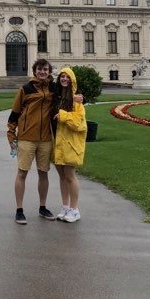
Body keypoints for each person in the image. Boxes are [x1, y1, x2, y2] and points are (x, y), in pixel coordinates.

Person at [6, 58, 58, 224]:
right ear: (34, 71)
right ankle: (19, 210)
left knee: (44, 173)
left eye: (45, 69)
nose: (43, 72)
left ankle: (42, 207)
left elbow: (68, 96)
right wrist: (11, 134)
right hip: (27, 137)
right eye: (40, 69)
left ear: (49, 72)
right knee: (22, 173)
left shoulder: (53, 88)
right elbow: (14, 113)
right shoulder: (26, 89)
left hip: (45, 138)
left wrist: (80, 98)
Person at [50, 67, 87, 223]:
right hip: (57, 142)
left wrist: (63, 116)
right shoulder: (57, 97)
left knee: (70, 176)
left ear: (72, 80)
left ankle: (75, 209)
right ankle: (65, 207)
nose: (64, 79)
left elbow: (80, 123)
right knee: (62, 177)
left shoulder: (76, 101)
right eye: (62, 76)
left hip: (70, 143)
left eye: (67, 77)